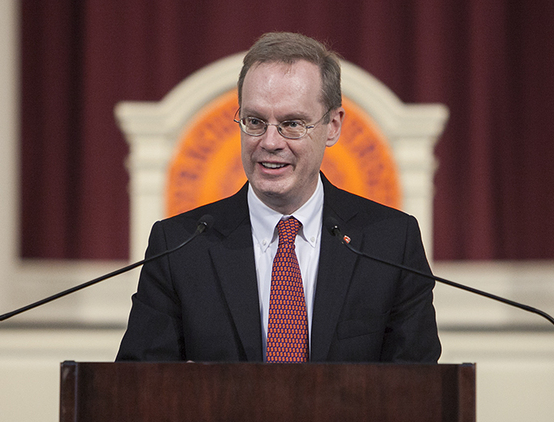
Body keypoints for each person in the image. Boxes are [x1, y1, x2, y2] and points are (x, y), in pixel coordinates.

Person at [116, 32, 440, 364]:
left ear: (333, 125)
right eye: (255, 121)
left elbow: (419, 392)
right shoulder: (179, 246)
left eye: (292, 124)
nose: (270, 142)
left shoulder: (390, 243)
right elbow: (137, 390)